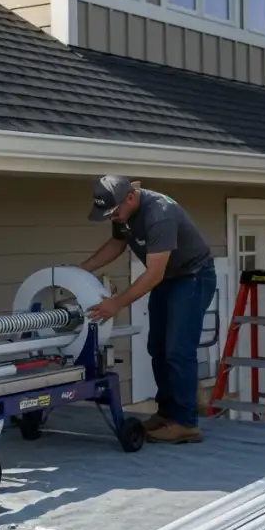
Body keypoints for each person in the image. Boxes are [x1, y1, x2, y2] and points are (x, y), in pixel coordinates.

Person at [79, 175, 216, 444]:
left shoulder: (160, 214)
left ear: (130, 197)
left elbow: (153, 275)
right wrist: (81, 270)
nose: (112, 218)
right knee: (157, 346)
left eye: (114, 212)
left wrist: (115, 305)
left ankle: (186, 423)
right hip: (169, 278)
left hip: (193, 276)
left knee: (178, 349)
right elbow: (118, 244)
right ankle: (167, 413)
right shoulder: (122, 213)